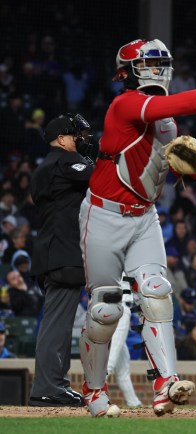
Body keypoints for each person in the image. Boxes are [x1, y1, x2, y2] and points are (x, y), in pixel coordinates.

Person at [77, 38, 196, 418]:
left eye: (162, 60)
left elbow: (165, 169)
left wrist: (185, 172)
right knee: (106, 309)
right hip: (104, 215)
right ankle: (93, 391)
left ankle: (166, 384)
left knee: (157, 292)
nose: (158, 67)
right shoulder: (126, 103)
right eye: (151, 61)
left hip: (144, 215)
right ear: (129, 71)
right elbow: (175, 103)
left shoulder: (165, 122)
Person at [28, 113, 94, 407]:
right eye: (75, 135)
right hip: (63, 252)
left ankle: (55, 385)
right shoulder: (63, 161)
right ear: (62, 139)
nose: (80, 140)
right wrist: (101, 157)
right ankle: (48, 387)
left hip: (50, 251)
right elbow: (98, 177)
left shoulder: (45, 167)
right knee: (56, 323)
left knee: (58, 321)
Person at [106, 282, 143, 407]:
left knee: (122, 367)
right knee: (110, 361)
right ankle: (92, 397)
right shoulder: (124, 263)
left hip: (110, 306)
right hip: (119, 307)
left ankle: (134, 403)